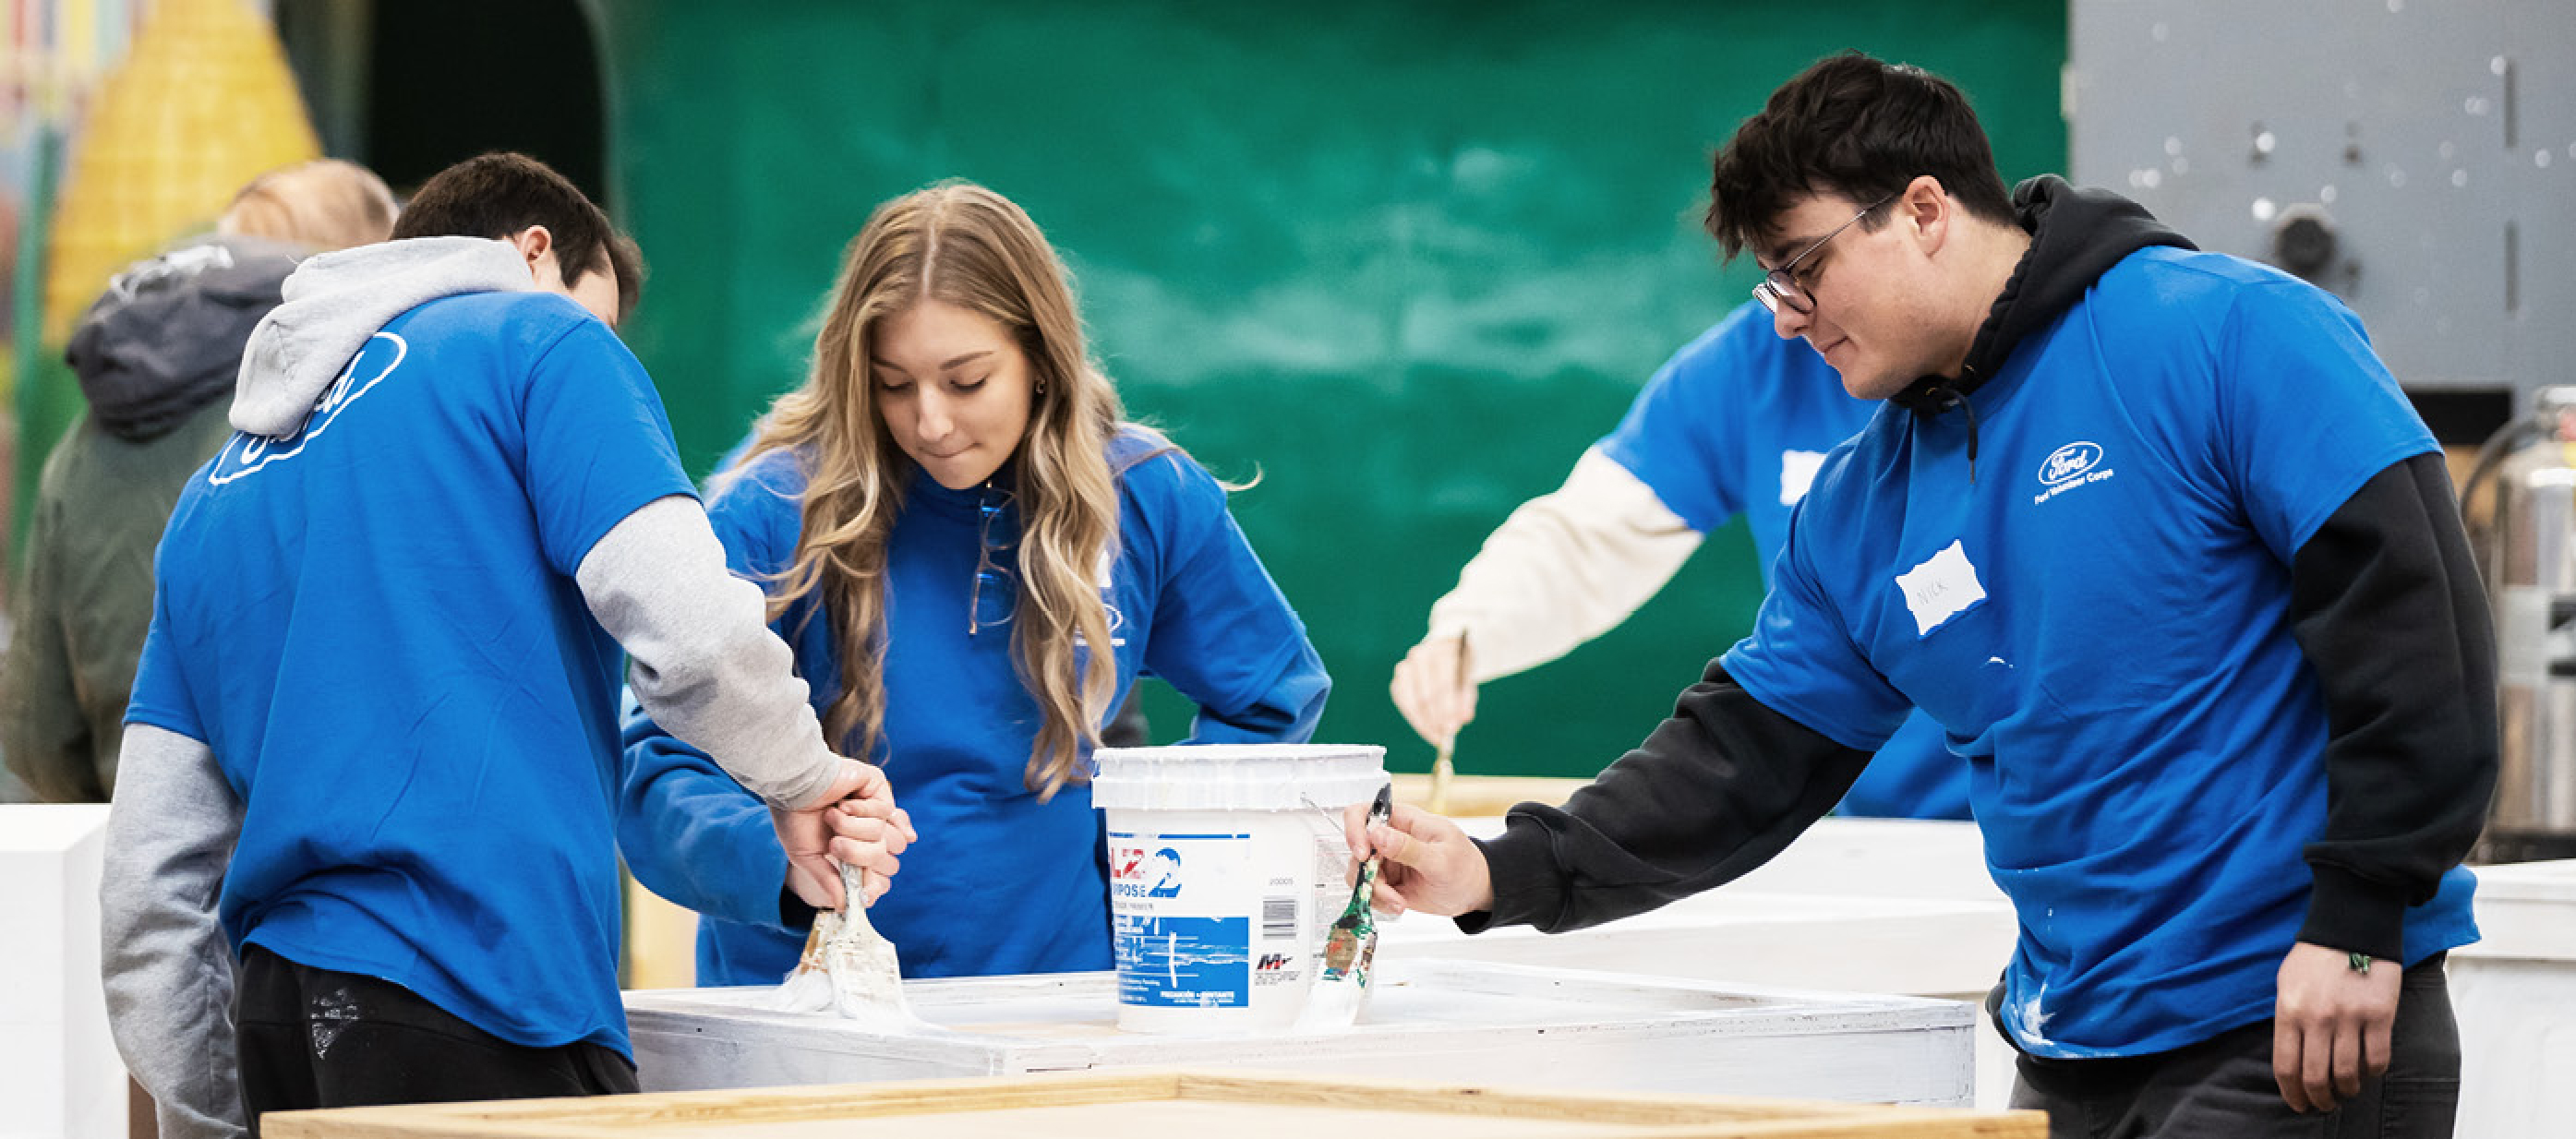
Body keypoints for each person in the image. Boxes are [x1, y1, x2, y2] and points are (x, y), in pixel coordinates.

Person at [1354, 53, 2493, 1138]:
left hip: (2295, 1021)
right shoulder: (1860, 504)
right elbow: (1745, 757)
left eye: (1803, 268)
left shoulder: (2226, 333)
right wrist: (1500, 869)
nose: (1788, 315)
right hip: (2073, 1052)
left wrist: (2360, 918)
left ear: (1925, 209)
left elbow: (2416, 620)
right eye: (1772, 287)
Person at [100, 152, 904, 1135]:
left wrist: (214, 1116)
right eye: (603, 322)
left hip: (278, 1017)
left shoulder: (215, 494)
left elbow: (149, 889)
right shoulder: (539, 339)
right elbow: (691, 625)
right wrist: (803, 776)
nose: (607, 354)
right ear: (533, 253)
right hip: (484, 993)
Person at [616, 180, 1329, 987]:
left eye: (966, 381)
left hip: (1062, 1007)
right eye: (893, 384)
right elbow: (655, 766)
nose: (930, 422)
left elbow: (1270, 698)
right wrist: (764, 854)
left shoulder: (1146, 494)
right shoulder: (773, 509)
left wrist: (1154, 854)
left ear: (1040, 361)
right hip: (807, 1010)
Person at [1388, 302, 1968, 819]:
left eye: (1808, 257)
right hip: (1877, 818)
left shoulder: (2030, 358)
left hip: (2034, 812)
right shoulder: (1759, 359)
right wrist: (1469, 631)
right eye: (1774, 275)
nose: (1790, 308)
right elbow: (1593, 533)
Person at [3, 159, 394, 803]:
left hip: (132, 855)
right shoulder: (355, 404)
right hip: (317, 865)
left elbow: (36, 733)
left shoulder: (83, 440)